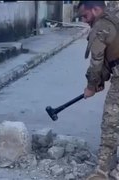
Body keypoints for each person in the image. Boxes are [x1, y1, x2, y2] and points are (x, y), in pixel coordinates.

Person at [77, 1, 119, 179]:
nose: (85, 21)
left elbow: (96, 63)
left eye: (85, 16)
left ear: (96, 10)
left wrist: (91, 86)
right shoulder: (114, 16)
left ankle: (102, 170)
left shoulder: (100, 27)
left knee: (110, 123)